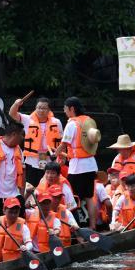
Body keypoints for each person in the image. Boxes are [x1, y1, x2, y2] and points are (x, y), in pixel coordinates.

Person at [54, 96, 102, 231]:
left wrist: (55, 154)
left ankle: (76, 229)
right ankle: (92, 226)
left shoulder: (71, 124)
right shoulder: (88, 121)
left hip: (77, 167)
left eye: (65, 109)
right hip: (91, 164)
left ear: (72, 109)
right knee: (89, 197)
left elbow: (63, 145)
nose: (64, 111)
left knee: (73, 197)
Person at [9, 94, 64, 186]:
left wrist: (62, 157)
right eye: (39, 107)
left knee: (50, 186)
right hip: (32, 159)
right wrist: (16, 104)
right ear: (35, 108)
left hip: (50, 159)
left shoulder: (56, 122)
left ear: (49, 109)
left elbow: (62, 141)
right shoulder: (27, 120)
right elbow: (12, 114)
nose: (41, 110)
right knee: (31, 185)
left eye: (44, 108)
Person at [0, 197, 35, 263]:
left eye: (16, 212)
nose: (13, 215)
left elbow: (29, 244)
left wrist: (26, 248)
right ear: (4, 210)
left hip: (13, 263)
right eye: (10, 212)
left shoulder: (23, 227)